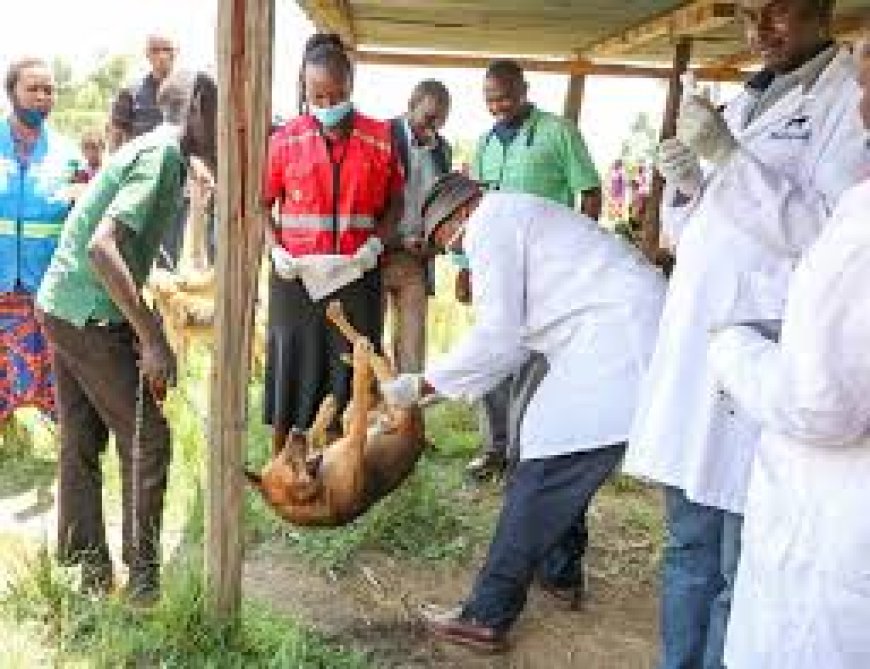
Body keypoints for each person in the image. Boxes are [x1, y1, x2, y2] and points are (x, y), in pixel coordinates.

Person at [622, 1, 869, 667]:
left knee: (742, 567)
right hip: (704, 355)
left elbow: (826, 233)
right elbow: (693, 235)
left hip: (767, 359)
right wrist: (688, 184)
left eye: (777, 11)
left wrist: (729, 161)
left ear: (820, 11)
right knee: (686, 549)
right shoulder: (745, 99)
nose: (759, 30)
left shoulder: (848, 102)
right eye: (749, 15)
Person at [380, 173, 665, 652]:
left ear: (460, 214)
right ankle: (559, 572)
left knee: (545, 467)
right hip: (612, 331)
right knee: (547, 443)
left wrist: (424, 383)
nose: (451, 252)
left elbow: (499, 337)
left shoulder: (489, 225)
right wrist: (437, 387)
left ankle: (486, 615)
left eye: (444, 241)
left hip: (618, 341)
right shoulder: (512, 213)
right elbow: (511, 343)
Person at [708, 38, 870, 669]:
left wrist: (735, 347)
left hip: (838, 525)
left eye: (867, 87)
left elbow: (820, 404)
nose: (860, 108)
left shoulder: (861, 220)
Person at [36, 69, 216, 604]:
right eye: (223, 112)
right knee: (150, 438)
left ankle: (89, 571)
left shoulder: (157, 151)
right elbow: (102, 247)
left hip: (62, 304)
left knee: (82, 438)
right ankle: (142, 583)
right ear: (200, 105)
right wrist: (153, 336)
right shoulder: (161, 156)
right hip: (87, 311)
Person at [263, 33, 403, 456]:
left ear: (350, 87)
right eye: (316, 96)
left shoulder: (380, 138)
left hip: (355, 273)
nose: (326, 105)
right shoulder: (284, 140)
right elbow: (260, 205)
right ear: (305, 92)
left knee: (350, 367)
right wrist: (275, 249)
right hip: (296, 278)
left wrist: (375, 246)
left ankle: (343, 463)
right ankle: (284, 461)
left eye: (334, 95)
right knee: (293, 365)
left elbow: (395, 205)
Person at [468, 57, 602, 482]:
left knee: (534, 361)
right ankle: (493, 447)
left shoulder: (558, 131)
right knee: (491, 350)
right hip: (495, 270)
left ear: (524, 90)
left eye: (506, 97)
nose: (499, 106)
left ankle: (523, 454)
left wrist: (581, 251)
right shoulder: (484, 144)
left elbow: (590, 192)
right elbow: (475, 210)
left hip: (548, 270)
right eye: (491, 100)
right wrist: (464, 265)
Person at [0, 57, 80, 429]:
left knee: (55, 375)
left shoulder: (68, 154)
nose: (42, 96)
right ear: (11, 92)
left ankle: (65, 450)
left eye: (49, 90)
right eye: (32, 89)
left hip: (45, 289)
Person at [383, 79, 451, 374]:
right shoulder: (383, 135)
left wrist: (434, 244)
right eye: (428, 117)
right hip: (378, 253)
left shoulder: (442, 150)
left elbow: (441, 202)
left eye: (440, 120)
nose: (433, 126)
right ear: (411, 106)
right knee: (368, 342)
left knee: (412, 347)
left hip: (417, 258)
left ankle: (407, 414)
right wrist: (394, 240)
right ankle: (371, 413)